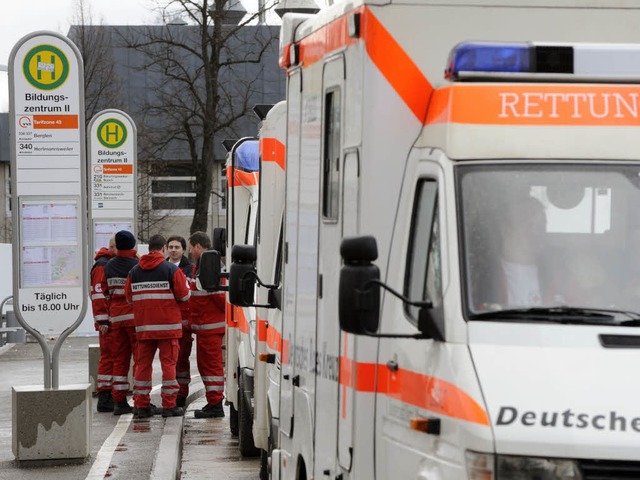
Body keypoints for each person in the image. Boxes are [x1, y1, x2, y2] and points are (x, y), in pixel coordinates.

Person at [125, 234, 191, 418]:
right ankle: (169, 405)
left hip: (144, 327)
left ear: (149, 249)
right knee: (169, 365)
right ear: (163, 248)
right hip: (168, 327)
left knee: (142, 365)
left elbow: (129, 298)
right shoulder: (170, 269)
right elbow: (184, 296)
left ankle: (141, 405)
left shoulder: (134, 271)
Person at [188, 231, 226, 418]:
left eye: (190, 247)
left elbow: (219, 297)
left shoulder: (209, 265)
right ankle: (214, 402)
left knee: (211, 367)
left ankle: (216, 404)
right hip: (206, 327)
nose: (190, 251)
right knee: (206, 366)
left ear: (197, 246)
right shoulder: (205, 264)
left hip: (210, 326)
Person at [102, 230, 140, 415]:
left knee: (120, 361)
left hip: (116, 319)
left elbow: (104, 291)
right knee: (139, 360)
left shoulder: (109, 265)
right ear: (133, 245)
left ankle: (119, 401)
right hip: (134, 318)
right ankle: (141, 401)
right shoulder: (137, 264)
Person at [166, 235, 195, 407]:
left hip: (184, 324)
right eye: (171, 247)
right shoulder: (162, 268)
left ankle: (181, 393)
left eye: (177, 247)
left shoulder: (190, 270)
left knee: (182, 360)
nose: (174, 250)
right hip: (166, 321)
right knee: (169, 360)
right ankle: (170, 392)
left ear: (183, 250)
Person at [90, 236, 116, 412]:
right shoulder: (102, 265)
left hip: (110, 319)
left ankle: (108, 395)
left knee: (111, 358)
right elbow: (99, 295)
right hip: (107, 321)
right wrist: (102, 320)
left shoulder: (106, 263)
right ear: (113, 247)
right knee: (108, 358)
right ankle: (105, 396)